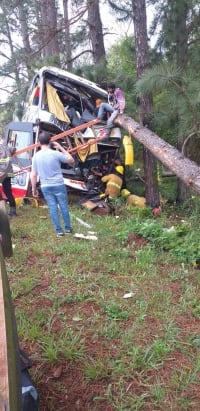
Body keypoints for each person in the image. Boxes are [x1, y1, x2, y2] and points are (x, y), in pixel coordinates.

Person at [30, 131, 74, 237]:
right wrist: (61, 147)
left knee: (52, 207)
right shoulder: (55, 153)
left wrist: (33, 189)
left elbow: (33, 175)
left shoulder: (36, 156)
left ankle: (59, 231)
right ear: (50, 141)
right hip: (58, 184)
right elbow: (71, 160)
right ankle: (68, 229)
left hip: (46, 186)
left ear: (39, 142)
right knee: (63, 206)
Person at [0, 136, 17, 217]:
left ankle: (2, 210)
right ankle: (13, 211)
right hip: (8, 173)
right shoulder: (7, 148)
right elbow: (14, 149)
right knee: (7, 191)